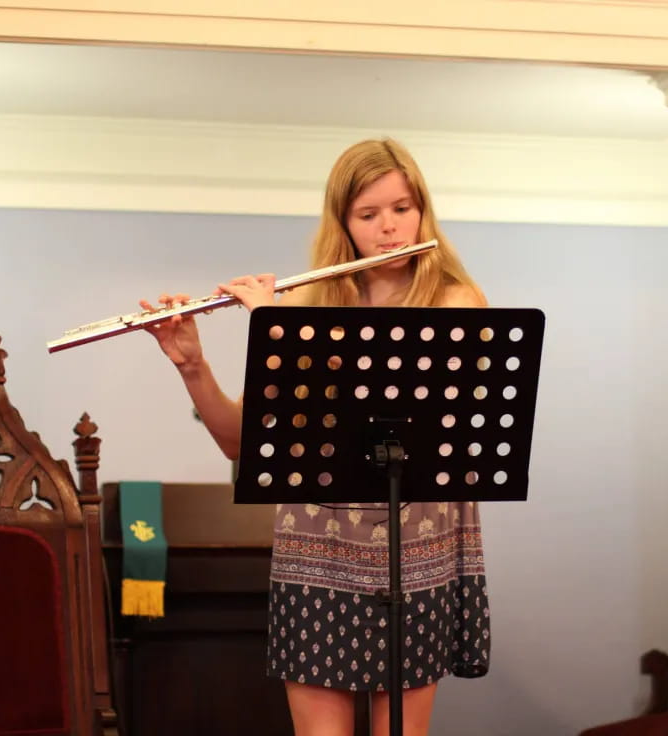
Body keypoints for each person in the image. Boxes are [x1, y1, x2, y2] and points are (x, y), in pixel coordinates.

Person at [141, 138, 490, 736]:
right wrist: (191, 364)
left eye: (403, 208)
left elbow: (385, 402)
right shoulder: (312, 299)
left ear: (423, 210)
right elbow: (237, 441)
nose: (390, 229)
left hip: (415, 544)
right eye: (369, 214)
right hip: (317, 551)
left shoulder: (454, 301)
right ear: (344, 224)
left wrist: (284, 330)